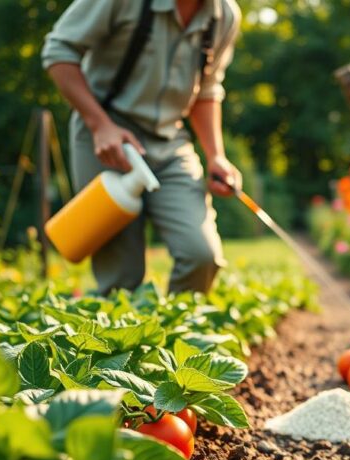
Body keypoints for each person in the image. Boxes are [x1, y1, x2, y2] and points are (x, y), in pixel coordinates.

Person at [42, 0, 241, 294]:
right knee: (120, 277)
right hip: (107, 137)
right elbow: (58, 51)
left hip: (170, 141)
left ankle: (178, 332)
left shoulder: (224, 15)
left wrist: (216, 156)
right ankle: (122, 337)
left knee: (201, 255)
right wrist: (100, 125)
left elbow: (207, 89)